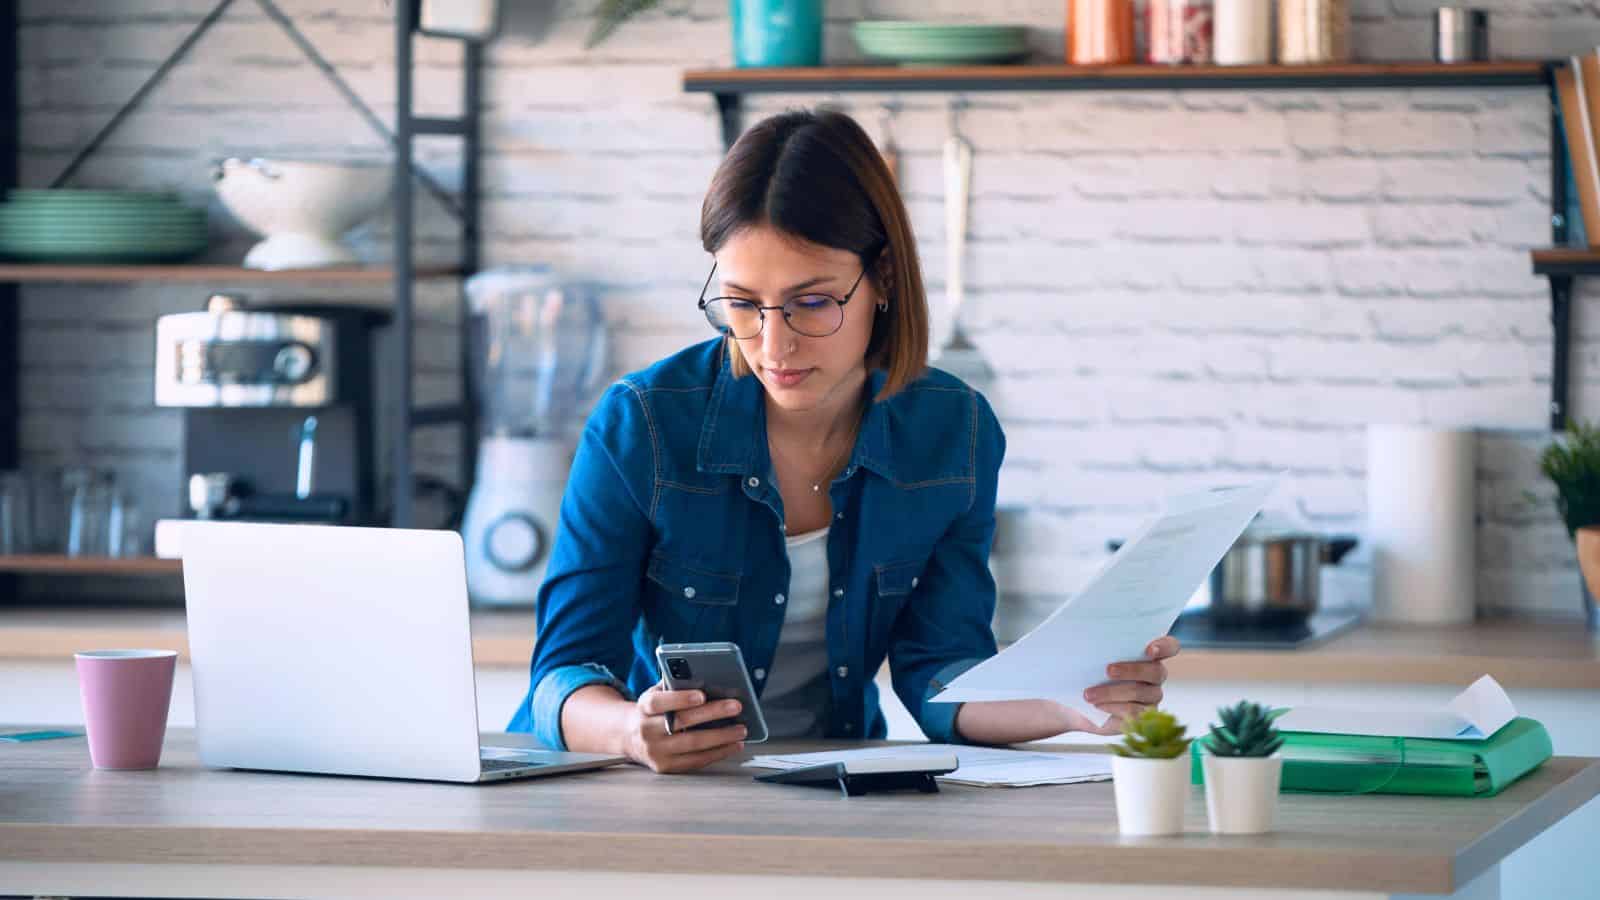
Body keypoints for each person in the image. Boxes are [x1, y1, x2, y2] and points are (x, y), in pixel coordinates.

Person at [507, 108, 1179, 772]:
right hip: (641, 789)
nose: (774, 345)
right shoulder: (642, 425)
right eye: (742, 303)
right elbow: (564, 673)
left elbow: (940, 672)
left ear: (882, 277)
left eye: (812, 302)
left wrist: (1066, 702)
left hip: (835, 782)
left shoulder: (955, 431)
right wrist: (630, 730)